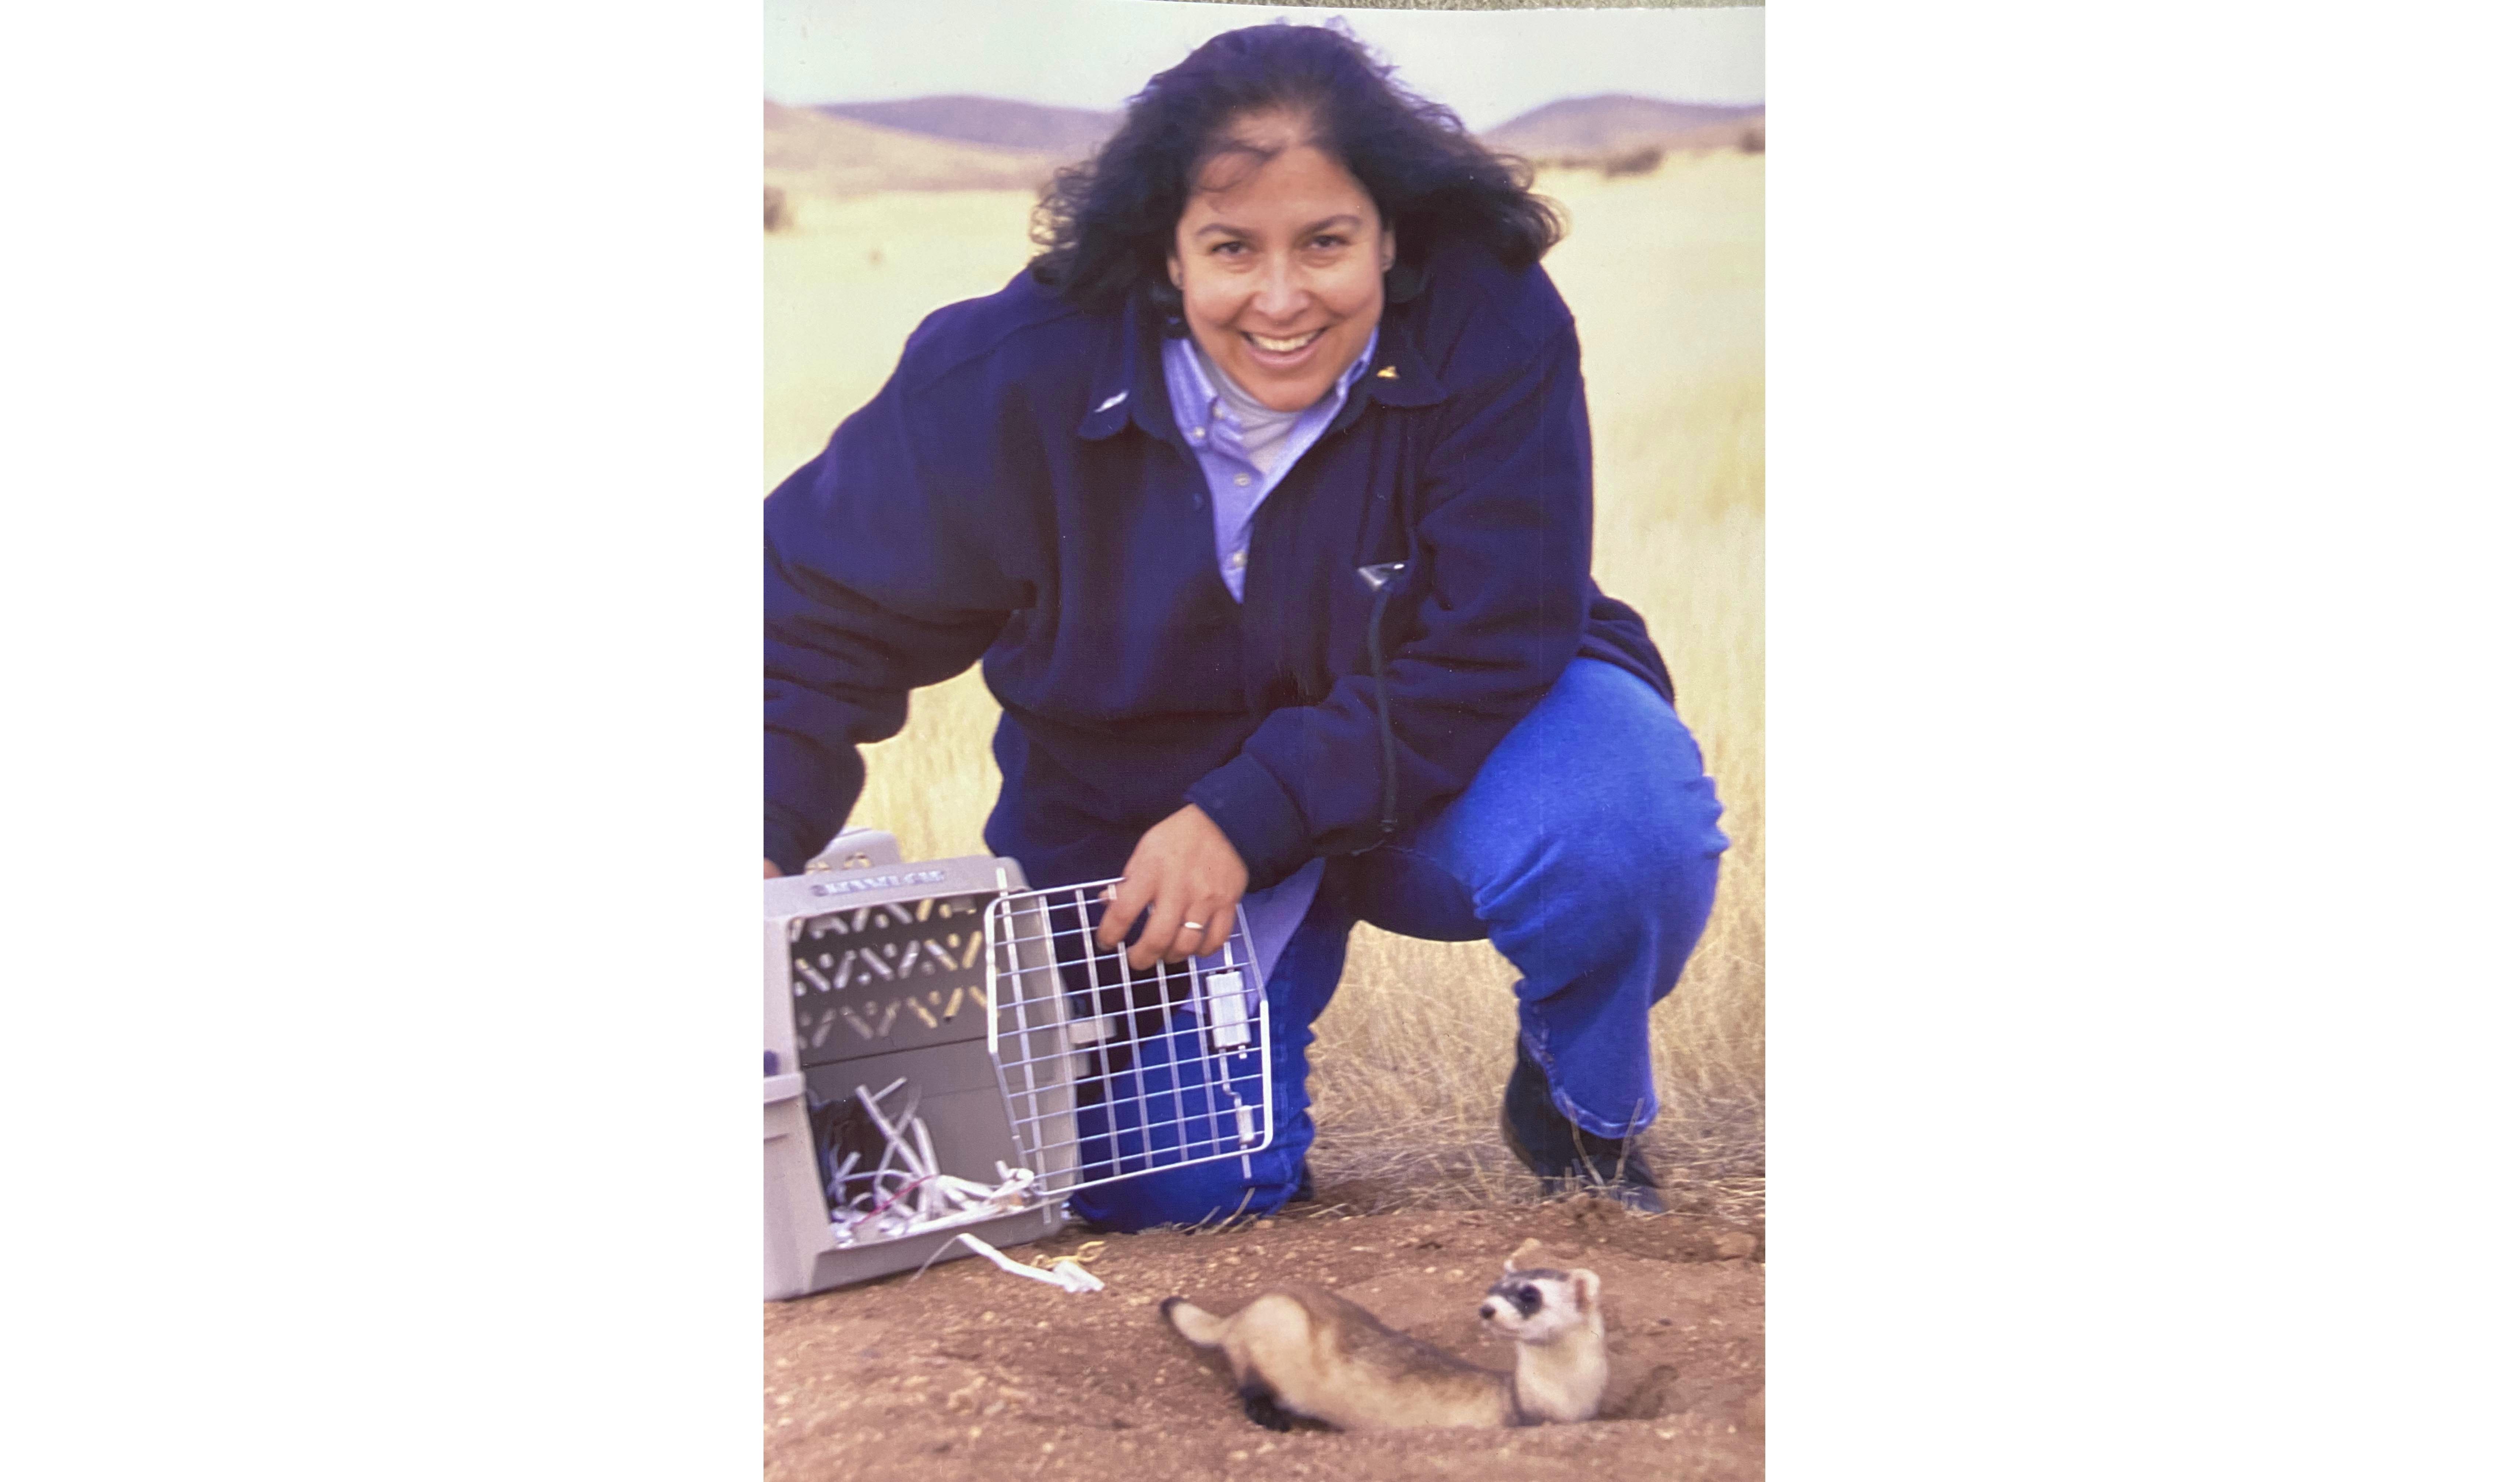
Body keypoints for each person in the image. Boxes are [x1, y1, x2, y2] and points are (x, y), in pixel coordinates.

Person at [764, 21, 1727, 1230]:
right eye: (1232, 248)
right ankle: (1246, 1117)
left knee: (1620, 831)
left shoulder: (1492, 323)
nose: (1282, 299)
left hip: (1449, 755)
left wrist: (1250, 809)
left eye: (1327, 243)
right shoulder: (1008, 377)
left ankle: (1585, 1115)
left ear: (1390, 232)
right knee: (1167, 1197)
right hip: (1147, 823)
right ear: (1166, 252)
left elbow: (1498, 630)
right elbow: (799, 622)